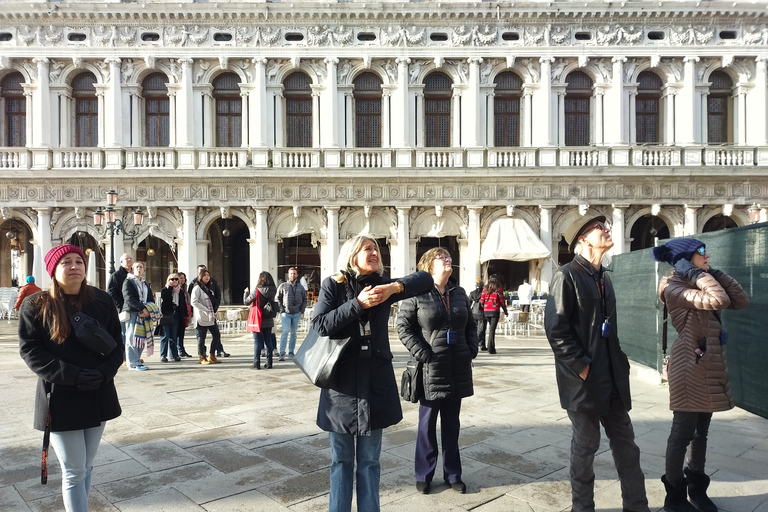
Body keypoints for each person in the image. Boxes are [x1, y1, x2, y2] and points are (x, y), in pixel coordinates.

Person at [312, 235, 433, 512]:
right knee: (341, 460)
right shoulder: (334, 284)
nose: (375, 252)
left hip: (375, 382)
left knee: (370, 462)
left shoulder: (383, 285)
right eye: (368, 248)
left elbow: (425, 279)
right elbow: (320, 324)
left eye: (377, 249)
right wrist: (358, 305)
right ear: (353, 254)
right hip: (341, 387)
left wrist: (395, 287)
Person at [545, 215, 650, 512]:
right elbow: (556, 328)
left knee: (628, 447)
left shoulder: (604, 277)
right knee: (585, 447)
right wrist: (581, 365)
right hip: (584, 381)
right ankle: (583, 508)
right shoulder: (566, 275)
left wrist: (620, 364)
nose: (607, 230)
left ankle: (637, 506)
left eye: (606, 226)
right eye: (599, 228)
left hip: (613, 377)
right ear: (583, 239)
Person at [18, 244, 123, 512]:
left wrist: (102, 373)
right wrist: (73, 375)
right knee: (74, 471)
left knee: (86, 466)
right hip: (60, 396)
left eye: (79, 261)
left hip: (98, 391)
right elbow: (31, 350)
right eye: (66, 262)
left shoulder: (102, 300)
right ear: (54, 270)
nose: (75, 265)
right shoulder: (35, 305)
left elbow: (116, 346)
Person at [652, 238, 749, 512]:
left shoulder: (697, 281)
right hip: (689, 365)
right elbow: (719, 299)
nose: (708, 255)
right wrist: (696, 273)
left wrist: (712, 273)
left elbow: (740, 300)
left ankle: (697, 488)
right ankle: (674, 496)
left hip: (707, 364)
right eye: (701, 252)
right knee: (682, 432)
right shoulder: (674, 287)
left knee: (701, 433)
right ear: (684, 259)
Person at [397, 248, 478, 495]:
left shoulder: (459, 292)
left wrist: (471, 349)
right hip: (430, 370)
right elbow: (403, 327)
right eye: (441, 257)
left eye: (448, 257)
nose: (447, 260)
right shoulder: (417, 294)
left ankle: (453, 474)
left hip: (457, 368)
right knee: (427, 426)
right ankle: (424, 474)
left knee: (452, 426)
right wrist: (423, 353)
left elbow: (472, 325)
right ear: (429, 265)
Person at [189, 264, 228, 357]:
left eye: (208, 275)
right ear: (200, 276)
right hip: (201, 316)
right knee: (201, 338)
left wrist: (214, 308)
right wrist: (205, 309)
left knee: (216, 335)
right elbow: (193, 302)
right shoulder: (197, 287)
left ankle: (212, 355)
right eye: (204, 275)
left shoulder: (210, 287)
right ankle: (202, 356)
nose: (207, 277)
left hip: (211, 316)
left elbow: (216, 297)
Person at [122, 261, 153, 371]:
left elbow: (150, 298)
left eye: (141, 267)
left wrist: (149, 310)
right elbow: (128, 298)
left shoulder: (145, 284)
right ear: (132, 269)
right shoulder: (128, 281)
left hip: (144, 314)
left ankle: (137, 360)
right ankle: (132, 363)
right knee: (131, 337)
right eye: (137, 267)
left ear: (144, 269)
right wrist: (142, 308)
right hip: (133, 312)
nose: (139, 269)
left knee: (141, 338)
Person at [244, 271, 277, 369]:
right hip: (269, 317)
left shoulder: (257, 290)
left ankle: (256, 362)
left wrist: (246, 293)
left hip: (258, 318)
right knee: (268, 340)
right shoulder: (273, 289)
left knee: (257, 341)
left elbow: (246, 302)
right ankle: (269, 362)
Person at [276, 266, 307, 361]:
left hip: (296, 313)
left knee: (294, 333)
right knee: (285, 332)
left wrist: (301, 310)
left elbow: (305, 300)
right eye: (291, 273)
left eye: (294, 273)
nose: (293, 275)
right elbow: (277, 298)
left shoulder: (301, 287)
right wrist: (282, 310)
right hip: (286, 313)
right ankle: (282, 353)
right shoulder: (283, 286)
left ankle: (291, 352)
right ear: (288, 275)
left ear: (297, 275)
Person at [479, 276, 507, 354]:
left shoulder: (485, 289)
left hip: (486, 311)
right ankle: (491, 348)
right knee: (492, 330)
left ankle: (490, 346)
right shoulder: (499, 289)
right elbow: (502, 302)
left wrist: (485, 306)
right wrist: (505, 311)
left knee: (490, 329)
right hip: (495, 311)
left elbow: (481, 301)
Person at [107, 253, 133, 337]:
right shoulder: (116, 275)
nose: (129, 260)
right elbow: (111, 292)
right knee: (124, 333)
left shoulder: (134, 275)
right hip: (123, 309)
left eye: (130, 258)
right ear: (121, 262)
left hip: (134, 308)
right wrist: (120, 305)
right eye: (127, 259)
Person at [159, 273, 183, 362]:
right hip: (166, 315)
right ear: (168, 281)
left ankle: (174, 354)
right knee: (165, 335)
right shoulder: (165, 290)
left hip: (176, 315)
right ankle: (163, 355)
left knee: (173, 336)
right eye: (171, 279)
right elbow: (165, 300)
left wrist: (184, 316)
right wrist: (170, 288)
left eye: (176, 279)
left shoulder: (180, 291)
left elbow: (182, 304)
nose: (174, 281)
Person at [176, 272, 192, 358]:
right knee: (177, 333)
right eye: (181, 278)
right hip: (179, 313)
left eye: (184, 278)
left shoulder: (185, 288)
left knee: (182, 332)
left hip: (185, 312)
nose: (182, 279)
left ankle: (181, 349)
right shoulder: (176, 289)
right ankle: (178, 350)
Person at [468, 278, 486, 351]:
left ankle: (480, 344)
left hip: (474, 312)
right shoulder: (485, 293)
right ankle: (481, 344)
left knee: (475, 330)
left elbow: (469, 303)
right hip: (482, 312)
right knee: (482, 330)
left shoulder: (472, 293)